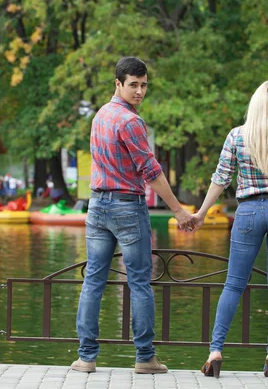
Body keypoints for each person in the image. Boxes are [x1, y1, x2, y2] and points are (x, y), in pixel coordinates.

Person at [71, 57, 194, 374]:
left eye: (144, 85)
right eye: (133, 85)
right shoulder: (130, 122)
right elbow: (151, 171)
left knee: (94, 281)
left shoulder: (100, 116)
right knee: (139, 282)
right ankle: (145, 358)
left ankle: (86, 357)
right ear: (118, 83)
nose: (140, 91)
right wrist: (179, 211)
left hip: (97, 205)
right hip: (126, 205)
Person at [191, 79, 268, 379]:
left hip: (247, 213)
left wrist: (202, 212)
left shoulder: (237, 136)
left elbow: (221, 177)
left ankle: (215, 351)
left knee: (233, 285)